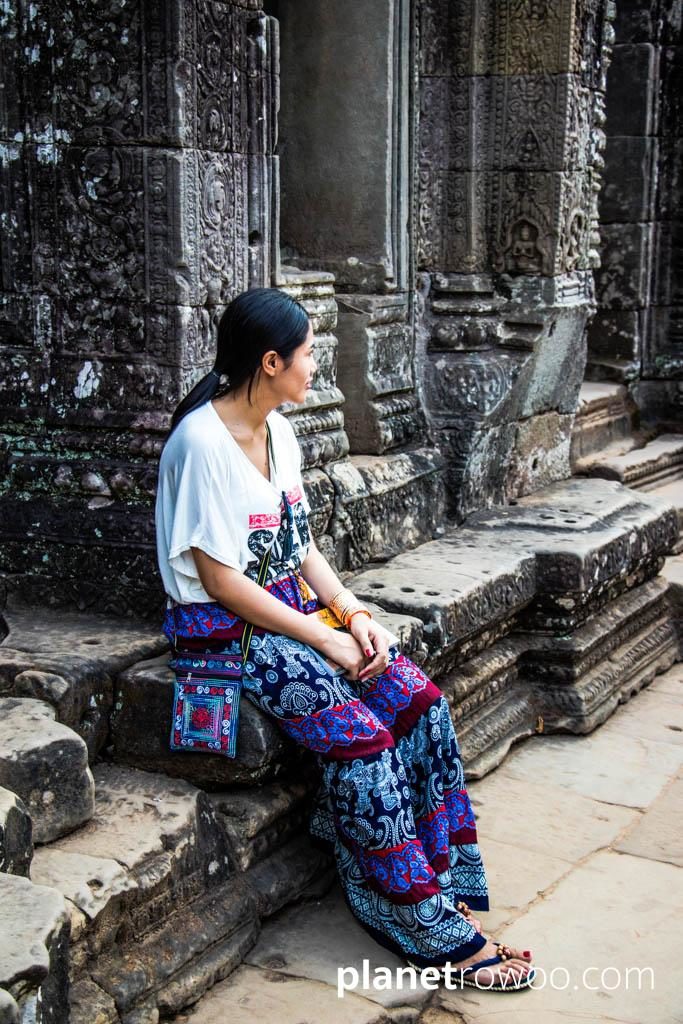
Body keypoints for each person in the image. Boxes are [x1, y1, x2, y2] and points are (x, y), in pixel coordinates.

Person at [155, 287, 535, 992]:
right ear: (270, 362)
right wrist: (322, 641)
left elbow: (300, 547)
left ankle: (431, 880)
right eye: (307, 355)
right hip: (224, 633)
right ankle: (420, 923)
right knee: (363, 742)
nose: (313, 367)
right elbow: (221, 581)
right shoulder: (201, 443)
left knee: (419, 703)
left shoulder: (279, 432)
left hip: (293, 610)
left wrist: (352, 614)